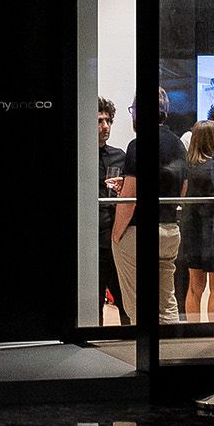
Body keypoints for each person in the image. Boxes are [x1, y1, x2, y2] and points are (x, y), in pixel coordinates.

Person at [110, 101, 184, 325]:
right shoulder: (178, 144)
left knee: (137, 303)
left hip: (139, 231)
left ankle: (142, 345)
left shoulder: (138, 144)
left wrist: (116, 234)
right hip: (170, 229)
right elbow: (182, 188)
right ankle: (172, 345)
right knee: (167, 303)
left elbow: (130, 197)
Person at [178, 120, 214, 323]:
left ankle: (193, 329)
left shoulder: (187, 167)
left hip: (191, 227)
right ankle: (213, 330)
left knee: (194, 286)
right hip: (212, 229)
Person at [95, 97, 126, 320]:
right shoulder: (80, 156)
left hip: (115, 235)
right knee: (92, 299)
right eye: (99, 121)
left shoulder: (119, 156)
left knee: (124, 296)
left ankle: (130, 336)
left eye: (108, 121)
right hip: (91, 237)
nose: (105, 126)